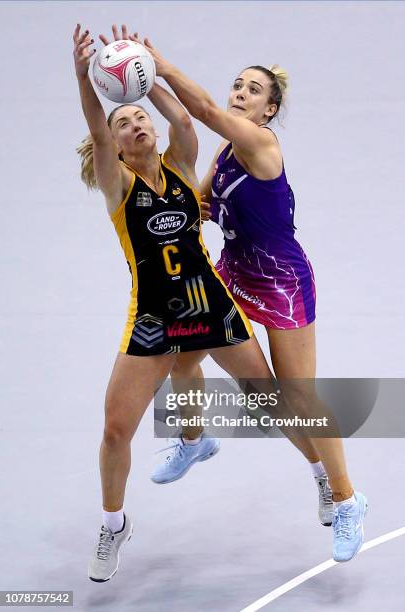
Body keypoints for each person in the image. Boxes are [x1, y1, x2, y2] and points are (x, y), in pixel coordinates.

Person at [138, 32, 368, 562]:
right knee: (188, 356)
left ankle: (347, 497)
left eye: (253, 90)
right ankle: (197, 441)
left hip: (283, 282)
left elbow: (199, 107)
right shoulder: (225, 152)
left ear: (271, 109)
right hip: (234, 274)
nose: (240, 93)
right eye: (237, 85)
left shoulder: (260, 145)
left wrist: (159, 64)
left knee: (297, 400)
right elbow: (196, 188)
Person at [73, 23, 290, 582]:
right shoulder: (118, 187)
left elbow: (184, 121)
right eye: (125, 124)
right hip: (152, 318)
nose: (135, 124)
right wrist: (87, 79)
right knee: (116, 429)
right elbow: (96, 135)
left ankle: (326, 481)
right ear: (118, 147)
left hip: (207, 304)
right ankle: (113, 523)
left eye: (140, 117)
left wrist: (144, 79)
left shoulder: (182, 169)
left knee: (269, 398)